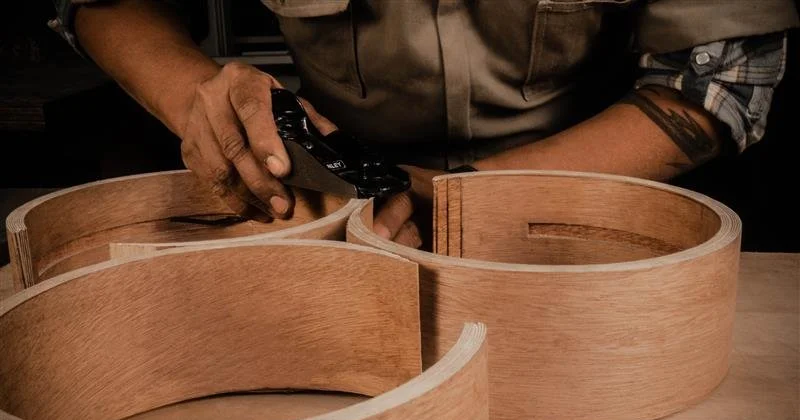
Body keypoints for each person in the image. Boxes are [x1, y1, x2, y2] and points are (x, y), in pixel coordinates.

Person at [50, 0, 798, 248]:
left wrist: (462, 195)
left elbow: (721, 85)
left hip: (583, 207)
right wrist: (201, 99)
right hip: (330, 205)